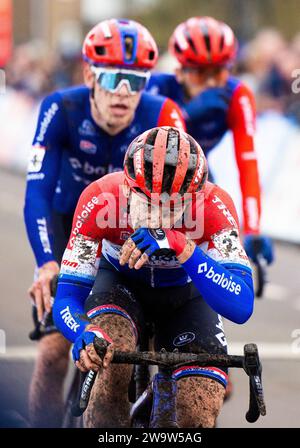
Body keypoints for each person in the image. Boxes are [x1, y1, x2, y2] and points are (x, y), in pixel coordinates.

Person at [23, 19, 185, 428]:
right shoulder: (62, 108)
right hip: (70, 227)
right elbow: (38, 193)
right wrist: (46, 262)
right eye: (112, 78)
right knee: (55, 350)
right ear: (89, 75)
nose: (123, 92)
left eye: (136, 80)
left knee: (156, 339)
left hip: (138, 233)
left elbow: (197, 191)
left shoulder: (163, 113)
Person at [53, 126, 255, 428]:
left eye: (174, 207)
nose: (159, 216)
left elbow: (241, 305)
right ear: (127, 187)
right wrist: (83, 331)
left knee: (196, 414)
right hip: (119, 288)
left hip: (185, 297)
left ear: (195, 198)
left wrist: (181, 246)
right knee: (109, 378)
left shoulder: (215, 206)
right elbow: (67, 297)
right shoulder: (99, 198)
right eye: (148, 204)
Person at [146, 16, 274, 266]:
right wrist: (184, 114)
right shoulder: (157, 88)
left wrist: (253, 228)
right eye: (200, 74)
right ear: (179, 71)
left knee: (214, 211)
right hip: (152, 172)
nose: (211, 83)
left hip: (196, 167)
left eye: (219, 71)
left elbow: (247, 163)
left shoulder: (237, 95)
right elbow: (145, 152)